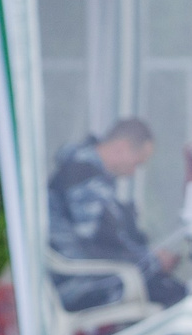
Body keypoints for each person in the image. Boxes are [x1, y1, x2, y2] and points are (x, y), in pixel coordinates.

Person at [47, 117, 184, 312]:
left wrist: (148, 258)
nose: (133, 173)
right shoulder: (84, 177)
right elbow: (99, 243)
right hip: (79, 285)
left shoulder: (84, 172)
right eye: (136, 163)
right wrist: (152, 261)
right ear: (122, 147)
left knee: (167, 287)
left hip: (85, 275)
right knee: (173, 296)